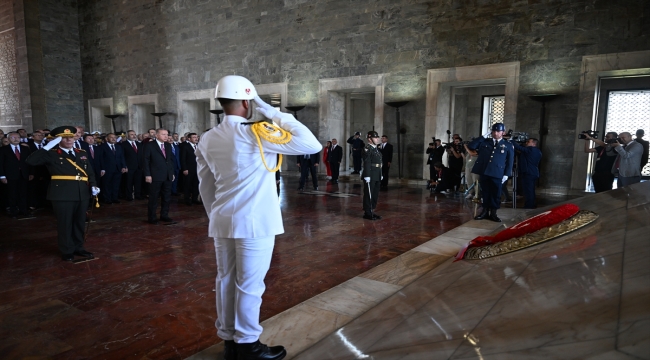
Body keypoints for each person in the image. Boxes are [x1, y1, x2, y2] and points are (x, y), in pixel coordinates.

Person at [196, 75, 320, 360]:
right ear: (246, 101)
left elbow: (205, 185)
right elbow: (311, 144)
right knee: (250, 284)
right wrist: (273, 112)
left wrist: (216, 216)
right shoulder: (256, 133)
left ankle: (229, 340)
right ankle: (248, 345)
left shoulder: (208, 137)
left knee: (225, 280)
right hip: (254, 222)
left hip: (223, 220)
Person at [26, 126, 99, 261]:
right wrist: (47, 147)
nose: (69, 140)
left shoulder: (81, 152)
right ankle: (67, 250)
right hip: (62, 194)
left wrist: (94, 185)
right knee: (65, 223)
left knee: (79, 222)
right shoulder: (52, 153)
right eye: (64, 138)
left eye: (71, 137)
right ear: (58, 140)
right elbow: (31, 161)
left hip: (81, 192)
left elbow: (89, 171)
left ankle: (79, 247)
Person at [467, 123, 514, 222]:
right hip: (484, 171)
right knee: (485, 192)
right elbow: (471, 146)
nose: (496, 133)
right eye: (494, 131)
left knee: (496, 194)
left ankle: (493, 213)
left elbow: (510, 161)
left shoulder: (507, 145)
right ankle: (484, 211)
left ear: (503, 133)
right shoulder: (485, 142)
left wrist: (506, 175)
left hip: (497, 173)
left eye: (498, 131)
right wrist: (484, 136)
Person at [142, 128, 176, 224]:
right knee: (154, 198)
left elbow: (169, 161)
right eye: (163, 134)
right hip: (154, 176)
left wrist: (171, 173)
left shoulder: (168, 145)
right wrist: (147, 174)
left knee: (167, 197)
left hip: (167, 176)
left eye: (167, 134)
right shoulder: (149, 145)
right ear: (156, 135)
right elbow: (146, 160)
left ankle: (164, 215)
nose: (166, 136)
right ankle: (152, 218)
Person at [0, 132, 34, 218]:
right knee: (12, 194)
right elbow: (0, 164)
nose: (16, 139)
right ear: (8, 139)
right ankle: (13, 212)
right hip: (10, 175)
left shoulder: (25, 149)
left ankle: (24, 211)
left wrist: (31, 173)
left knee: (23, 194)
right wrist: (2, 176)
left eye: (18, 137)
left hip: (24, 174)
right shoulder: (3, 150)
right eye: (13, 137)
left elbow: (29, 162)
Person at [510, 138, 542, 209]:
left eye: (528, 142)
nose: (526, 143)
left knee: (528, 191)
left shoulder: (531, 150)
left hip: (528, 173)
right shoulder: (537, 151)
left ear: (534, 144)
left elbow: (518, 147)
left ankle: (529, 206)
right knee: (531, 190)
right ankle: (532, 204)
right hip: (533, 173)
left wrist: (511, 139)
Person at [98, 133, 127, 204]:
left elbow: (122, 157)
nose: (114, 139)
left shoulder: (118, 147)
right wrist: (102, 169)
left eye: (115, 137)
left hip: (118, 169)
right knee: (107, 185)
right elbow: (101, 159)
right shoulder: (102, 147)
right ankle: (107, 199)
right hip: (107, 169)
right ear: (107, 139)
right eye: (111, 137)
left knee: (116, 184)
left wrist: (124, 166)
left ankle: (115, 198)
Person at [362, 131, 383, 220]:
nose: (377, 139)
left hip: (377, 174)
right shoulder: (367, 149)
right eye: (375, 137)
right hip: (370, 174)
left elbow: (379, 163)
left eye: (377, 137)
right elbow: (367, 163)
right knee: (368, 194)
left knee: (375, 193)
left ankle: (372, 210)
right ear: (369, 139)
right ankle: (367, 212)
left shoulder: (376, 149)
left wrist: (380, 174)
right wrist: (367, 175)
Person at [121, 130, 143, 201]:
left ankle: (138, 195)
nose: (134, 136)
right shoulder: (123, 144)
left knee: (138, 181)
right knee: (129, 182)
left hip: (139, 166)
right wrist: (124, 166)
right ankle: (129, 196)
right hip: (129, 166)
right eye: (131, 134)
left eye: (134, 134)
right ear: (127, 135)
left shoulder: (139, 144)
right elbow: (122, 156)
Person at [180, 133, 200, 205]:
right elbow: (183, 158)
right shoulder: (185, 146)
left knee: (196, 184)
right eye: (194, 137)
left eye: (196, 137)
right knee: (187, 184)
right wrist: (184, 168)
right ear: (189, 139)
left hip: (198, 168)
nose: (196, 138)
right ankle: (187, 199)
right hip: (188, 169)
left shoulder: (198, 146)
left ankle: (195, 198)